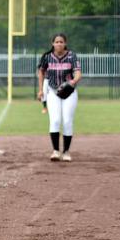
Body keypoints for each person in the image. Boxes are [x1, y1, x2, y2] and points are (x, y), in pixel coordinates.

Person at [37, 33, 82, 162]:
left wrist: (73, 81)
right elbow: (41, 72)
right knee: (55, 120)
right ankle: (56, 151)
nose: (59, 44)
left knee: (67, 121)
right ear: (52, 44)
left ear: (65, 43)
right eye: (56, 42)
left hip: (69, 92)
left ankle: (66, 151)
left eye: (61, 42)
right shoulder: (47, 57)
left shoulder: (72, 56)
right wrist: (41, 90)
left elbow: (78, 73)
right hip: (53, 91)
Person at [37, 49, 52, 114]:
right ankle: (45, 107)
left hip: (56, 80)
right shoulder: (45, 60)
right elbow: (40, 70)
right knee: (44, 93)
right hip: (47, 79)